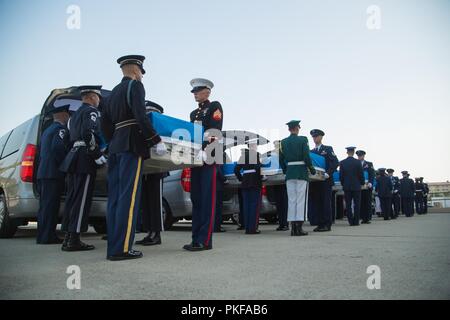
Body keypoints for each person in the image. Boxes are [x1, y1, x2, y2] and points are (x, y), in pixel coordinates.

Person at [101, 55, 164, 261]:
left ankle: (114, 246)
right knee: (129, 198)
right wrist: (155, 139)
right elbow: (140, 115)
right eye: (141, 73)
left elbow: (105, 126)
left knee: (115, 199)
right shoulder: (135, 87)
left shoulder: (110, 95)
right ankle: (123, 249)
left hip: (116, 146)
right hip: (131, 146)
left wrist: (113, 142)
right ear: (136, 71)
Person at [60, 86, 106, 251]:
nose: (99, 101)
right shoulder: (91, 112)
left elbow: (66, 140)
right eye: (98, 98)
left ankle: (67, 236)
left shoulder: (72, 117)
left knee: (72, 198)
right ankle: (75, 239)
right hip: (84, 159)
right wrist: (96, 155)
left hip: (73, 157)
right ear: (93, 97)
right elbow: (89, 133)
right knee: (82, 199)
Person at [183, 78, 223, 251]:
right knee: (196, 198)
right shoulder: (193, 114)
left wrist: (205, 150)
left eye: (197, 91)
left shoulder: (215, 106)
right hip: (195, 159)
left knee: (207, 198)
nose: (195, 94)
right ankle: (195, 238)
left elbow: (215, 131)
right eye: (193, 92)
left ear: (207, 91)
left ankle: (205, 240)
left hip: (209, 156)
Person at [36, 104, 70, 244]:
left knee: (45, 206)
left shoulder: (47, 130)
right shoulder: (60, 129)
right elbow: (58, 148)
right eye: (67, 114)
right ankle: (48, 237)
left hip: (43, 172)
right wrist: (65, 164)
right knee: (51, 206)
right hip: (53, 172)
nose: (68, 116)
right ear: (62, 115)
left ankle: (42, 235)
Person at [136, 101, 167, 246]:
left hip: (157, 169)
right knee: (146, 202)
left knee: (155, 202)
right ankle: (149, 231)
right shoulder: (144, 127)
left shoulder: (160, 128)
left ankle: (156, 233)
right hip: (146, 167)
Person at [279, 120, 316, 236]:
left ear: (289, 129)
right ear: (297, 128)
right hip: (300, 173)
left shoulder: (283, 142)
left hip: (290, 173)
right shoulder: (303, 140)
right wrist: (311, 168)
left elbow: (281, 159)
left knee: (291, 201)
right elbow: (306, 156)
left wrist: (286, 170)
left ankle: (293, 229)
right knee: (301, 201)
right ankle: (298, 228)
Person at [309, 129, 339, 232]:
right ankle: (320, 224)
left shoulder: (328, 149)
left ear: (321, 137)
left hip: (325, 180)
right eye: (313, 137)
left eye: (316, 136)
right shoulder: (311, 152)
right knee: (317, 203)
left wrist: (328, 173)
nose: (314, 138)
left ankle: (327, 224)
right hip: (315, 181)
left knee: (326, 203)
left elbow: (335, 162)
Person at [234, 139, 263, 234]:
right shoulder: (257, 154)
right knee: (254, 206)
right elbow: (258, 168)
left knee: (246, 206)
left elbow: (236, 170)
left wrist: (242, 179)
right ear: (253, 146)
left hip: (245, 183)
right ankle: (253, 228)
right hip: (255, 182)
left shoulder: (243, 155)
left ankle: (247, 228)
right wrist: (262, 177)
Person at [339, 147, 365, 226]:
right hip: (356, 186)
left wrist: (343, 184)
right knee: (357, 204)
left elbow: (341, 176)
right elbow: (361, 174)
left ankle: (350, 221)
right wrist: (362, 183)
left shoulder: (342, 162)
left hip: (347, 186)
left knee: (348, 204)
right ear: (353, 152)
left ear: (347, 152)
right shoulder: (358, 162)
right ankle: (356, 221)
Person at [271, 140, 289, 231]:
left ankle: (285, 223)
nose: (276, 147)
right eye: (275, 145)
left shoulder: (285, 153)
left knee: (285, 204)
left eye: (278, 145)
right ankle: (281, 223)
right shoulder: (272, 154)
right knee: (279, 204)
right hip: (275, 181)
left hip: (283, 181)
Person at [356, 150, 375, 224]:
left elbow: (372, 174)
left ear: (364, 156)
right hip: (359, 185)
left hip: (367, 185)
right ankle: (362, 217)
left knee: (367, 202)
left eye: (361, 155)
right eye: (358, 155)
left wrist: (371, 182)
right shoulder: (356, 163)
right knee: (361, 202)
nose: (360, 157)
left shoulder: (369, 164)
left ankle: (367, 218)